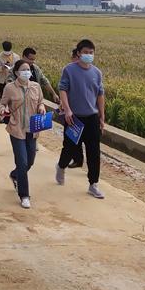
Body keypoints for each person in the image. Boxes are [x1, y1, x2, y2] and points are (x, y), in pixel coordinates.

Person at [56, 39, 106, 199]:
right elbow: (63, 89)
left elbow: (100, 95)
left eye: (91, 53)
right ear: (78, 53)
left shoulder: (97, 73)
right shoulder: (69, 70)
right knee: (69, 148)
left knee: (94, 152)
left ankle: (93, 184)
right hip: (74, 118)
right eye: (85, 52)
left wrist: (102, 116)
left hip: (91, 117)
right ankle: (61, 166)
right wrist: (68, 110)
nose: (88, 55)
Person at [0, 59, 46, 209]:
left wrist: (42, 107)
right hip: (16, 128)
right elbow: (2, 103)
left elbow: (41, 101)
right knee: (22, 162)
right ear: (17, 72)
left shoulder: (36, 87)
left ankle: (15, 175)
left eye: (28, 69)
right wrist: (2, 110)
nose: (27, 72)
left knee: (30, 161)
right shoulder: (10, 88)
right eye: (23, 70)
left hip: (32, 129)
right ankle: (24, 195)